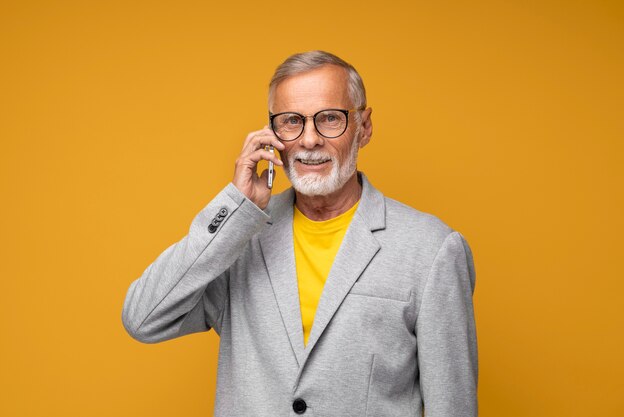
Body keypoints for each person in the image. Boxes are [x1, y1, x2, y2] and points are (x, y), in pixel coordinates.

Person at [121, 50, 478, 417]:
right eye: (292, 122)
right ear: (272, 134)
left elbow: (453, 406)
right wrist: (234, 208)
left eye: (329, 119)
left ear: (364, 127)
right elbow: (143, 318)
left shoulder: (431, 249)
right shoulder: (240, 238)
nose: (309, 140)